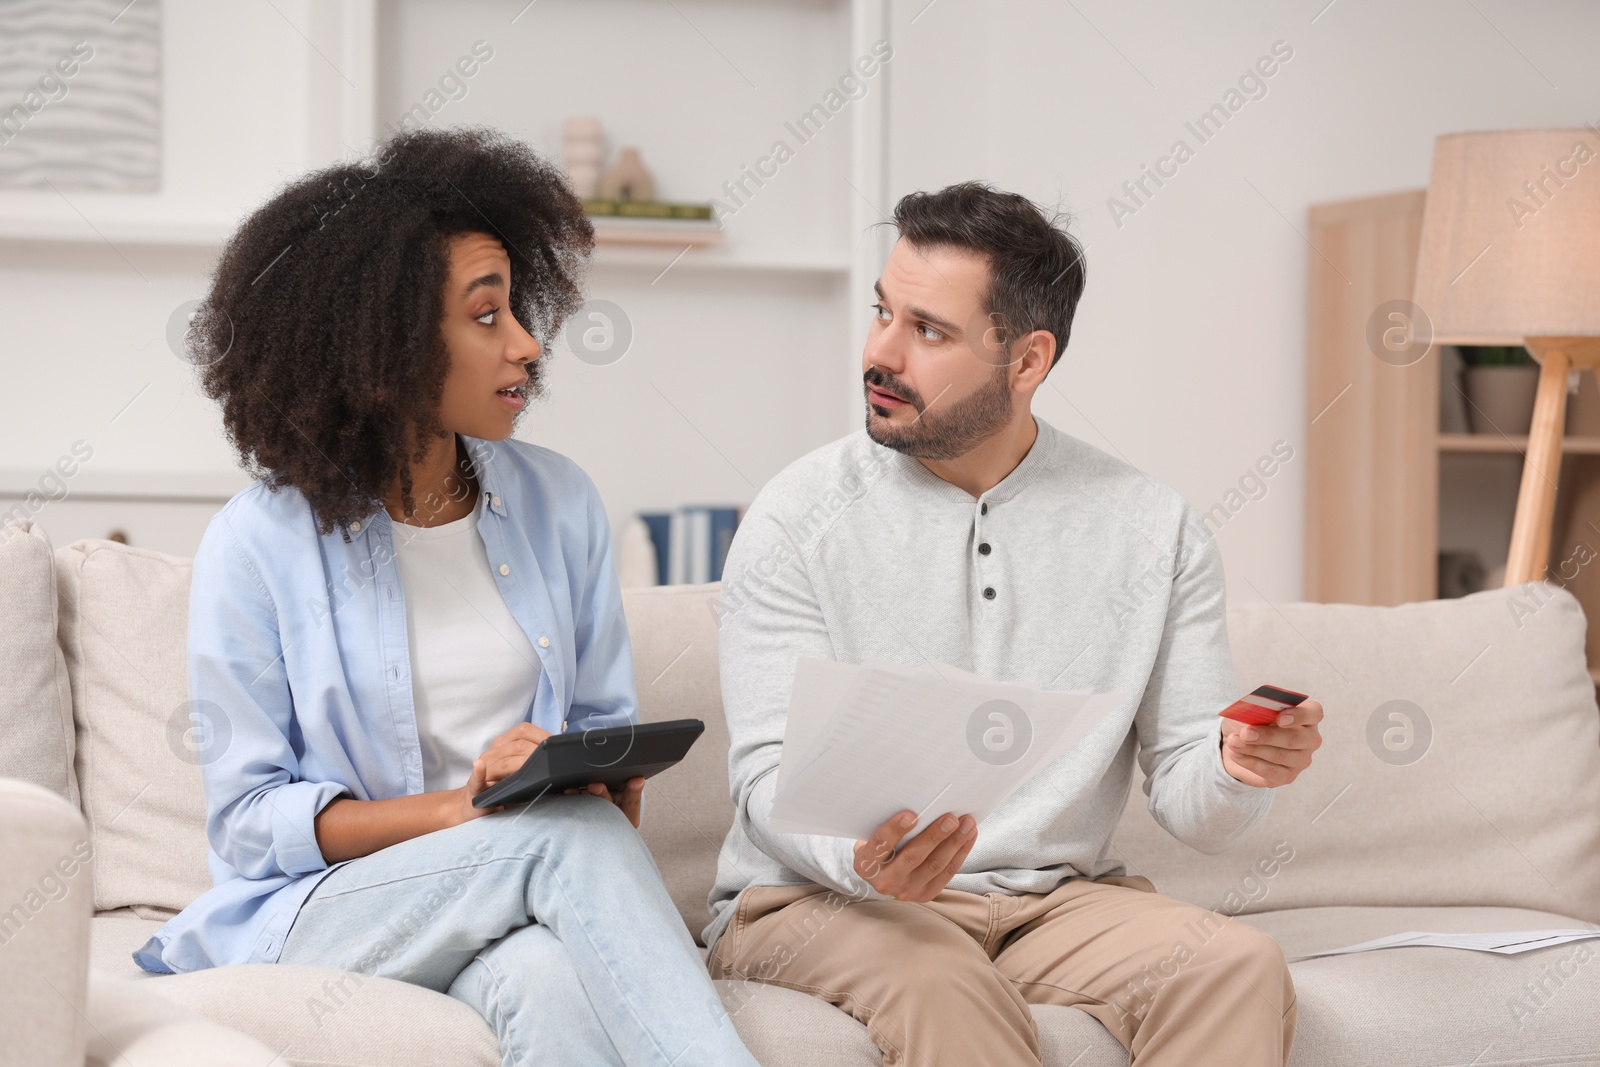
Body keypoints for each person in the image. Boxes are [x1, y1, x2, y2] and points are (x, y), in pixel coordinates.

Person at [134, 125, 760, 1067]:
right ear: (383, 343)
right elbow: (251, 822)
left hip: (518, 888)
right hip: (325, 917)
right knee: (562, 839)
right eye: (485, 315)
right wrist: (467, 809)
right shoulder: (257, 542)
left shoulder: (560, 503)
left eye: (517, 308)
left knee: (549, 983)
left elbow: (607, 777)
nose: (527, 342)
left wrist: (584, 773)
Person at [705, 181, 1323, 1066]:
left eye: (929, 331)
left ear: (1028, 360)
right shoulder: (796, 514)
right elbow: (766, 778)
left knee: (1234, 965)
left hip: (1051, 901)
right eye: (883, 311)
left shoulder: (1155, 527)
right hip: (822, 899)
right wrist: (864, 862)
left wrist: (1236, 767)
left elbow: (1200, 810)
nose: (881, 352)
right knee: (941, 983)